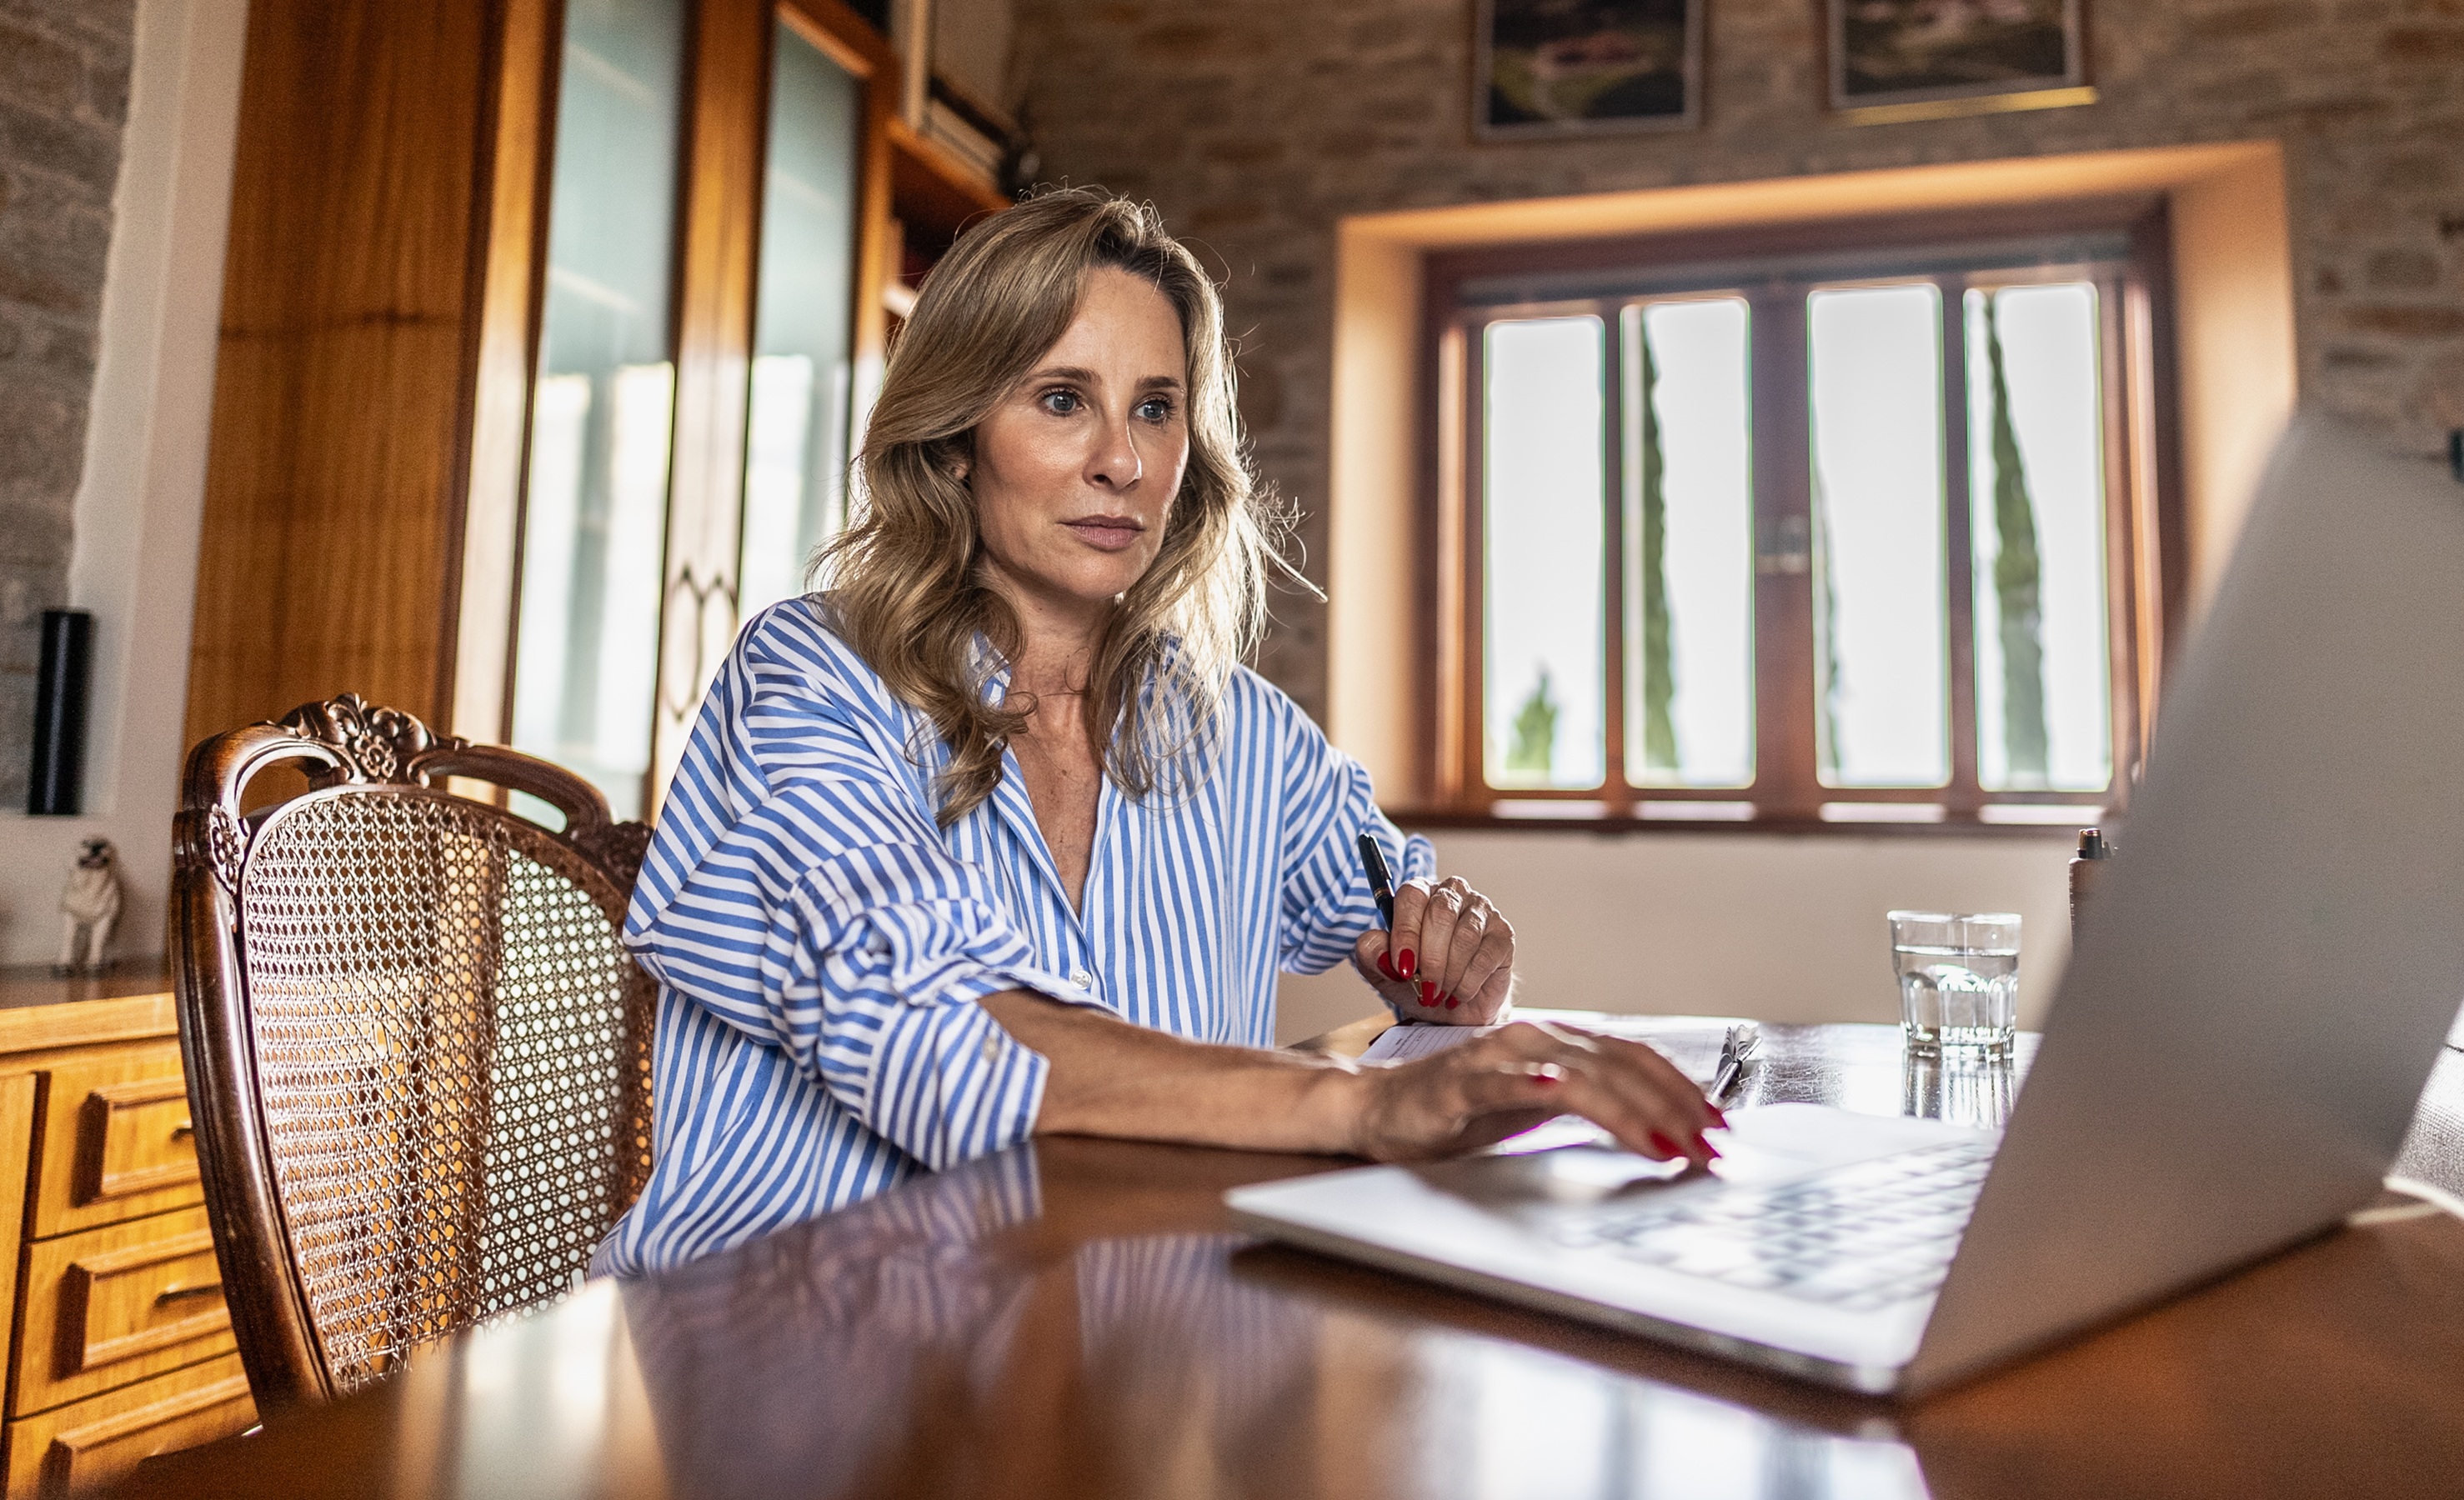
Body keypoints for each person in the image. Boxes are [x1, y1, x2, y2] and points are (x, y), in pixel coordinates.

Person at [592, 188, 1720, 1277]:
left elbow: (1408, 928)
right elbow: (916, 1020)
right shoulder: (814, 677)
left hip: (1128, 1338)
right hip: (777, 1352)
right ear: (952, 440)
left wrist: (1450, 967)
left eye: (1155, 406)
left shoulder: (1254, 740)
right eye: (1061, 399)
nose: (1122, 463)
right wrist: (1366, 1106)